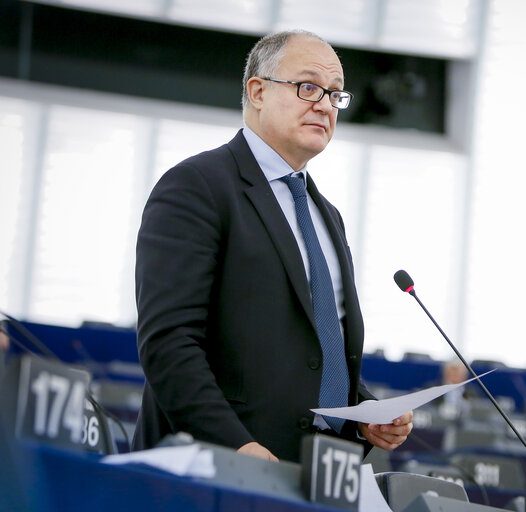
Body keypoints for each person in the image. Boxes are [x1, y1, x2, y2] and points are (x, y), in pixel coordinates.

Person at [132, 29, 413, 462]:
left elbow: (314, 351)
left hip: (314, 469)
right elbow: (169, 343)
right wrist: (237, 446)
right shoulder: (197, 186)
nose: (324, 104)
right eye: (308, 87)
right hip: (217, 464)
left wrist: (365, 410)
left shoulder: (328, 216)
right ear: (258, 91)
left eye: (335, 94)